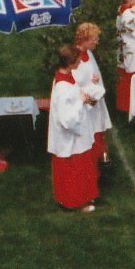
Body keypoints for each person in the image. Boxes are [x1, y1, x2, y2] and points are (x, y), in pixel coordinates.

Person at [48, 45, 99, 212]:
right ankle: (75, 201)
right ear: (70, 62)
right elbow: (67, 120)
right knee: (74, 167)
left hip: (77, 131)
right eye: (77, 60)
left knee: (81, 164)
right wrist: (81, 102)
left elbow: (76, 94)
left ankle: (82, 196)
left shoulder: (66, 77)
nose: (79, 62)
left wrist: (88, 91)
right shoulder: (62, 88)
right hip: (70, 135)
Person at [71, 22, 112, 164]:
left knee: (98, 132)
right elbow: (75, 87)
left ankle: (101, 159)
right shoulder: (75, 59)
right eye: (94, 38)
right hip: (86, 105)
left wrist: (94, 81)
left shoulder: (88, 53)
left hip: (95, 102)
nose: (97, 41)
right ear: (84, 39)